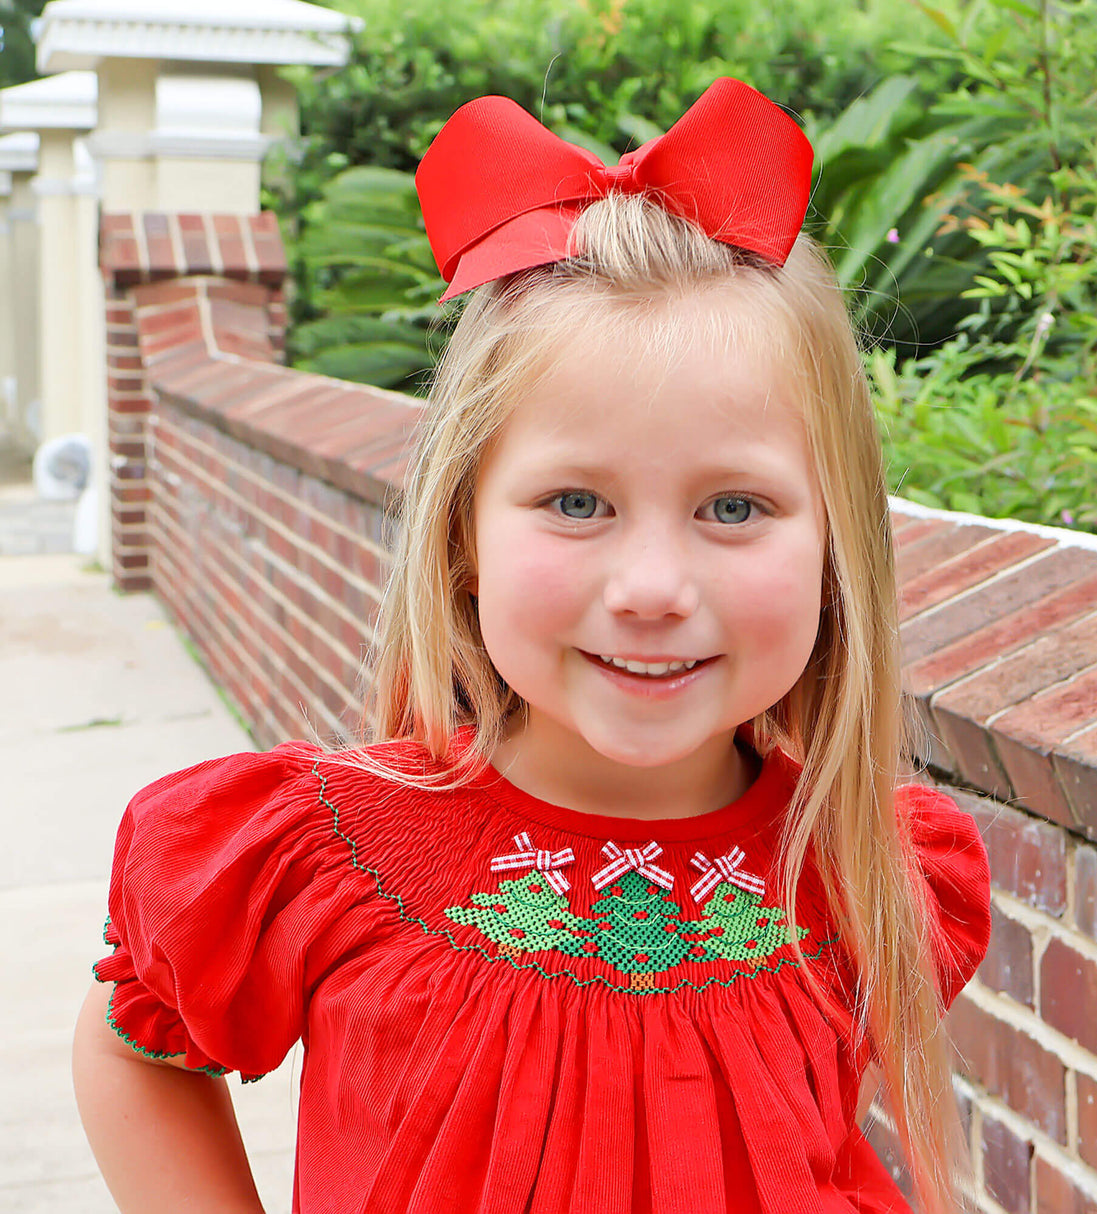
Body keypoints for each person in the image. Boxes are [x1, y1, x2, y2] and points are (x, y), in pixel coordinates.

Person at [73, 77, 990, 1214]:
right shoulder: (321, 857)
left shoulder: (865, 871)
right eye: (574, 503)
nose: (650, 589)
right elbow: (133, 1050)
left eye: (733, 508)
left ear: (836, 547)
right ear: (463, 534)